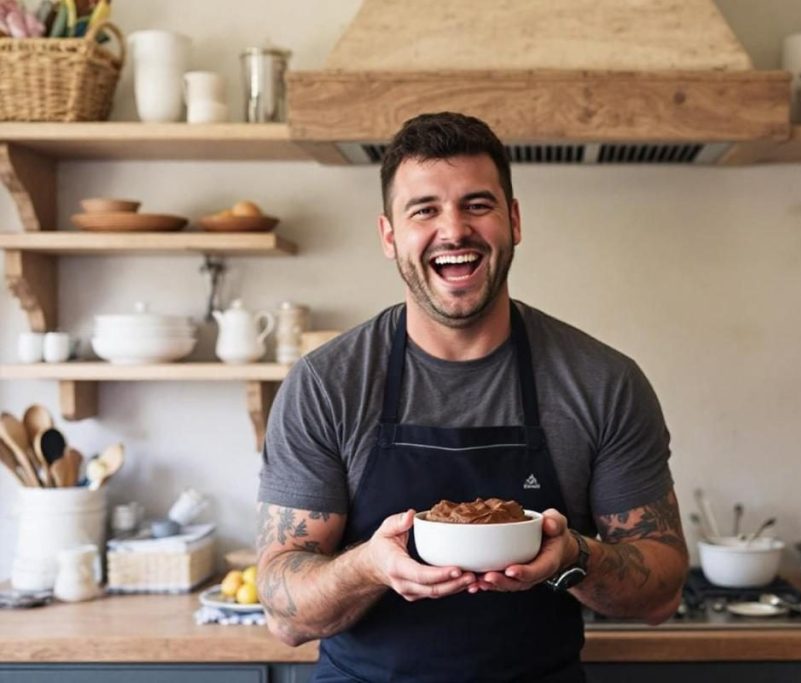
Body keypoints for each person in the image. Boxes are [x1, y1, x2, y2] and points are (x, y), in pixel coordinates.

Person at [257, 112, 687, 683]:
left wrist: (573, 557)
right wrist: (369, 567)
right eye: (424, 210)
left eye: (477, 205)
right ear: (389, 236)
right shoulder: (325, 385)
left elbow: (661, 593)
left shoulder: (602, 382)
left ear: (514, 220)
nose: (454, 230)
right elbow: (284, 615)